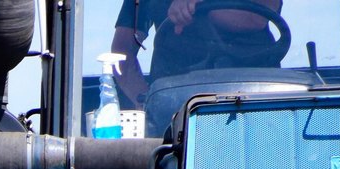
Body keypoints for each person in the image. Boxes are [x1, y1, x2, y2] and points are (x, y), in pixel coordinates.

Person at [110, 0, 286, 108]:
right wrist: (148, 103)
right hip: (178, 103)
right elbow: (121, 53)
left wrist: (197, 5)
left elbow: (257, 18)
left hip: (254, 96)